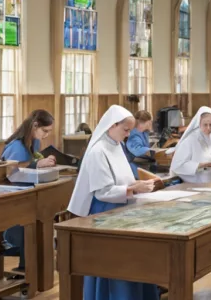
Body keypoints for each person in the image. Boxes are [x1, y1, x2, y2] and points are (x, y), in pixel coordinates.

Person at [67, 105, 158, 300]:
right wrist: (133, 189)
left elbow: (121, 179)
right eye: (125, 130)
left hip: (122, 209)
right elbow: (102, 191)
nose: (127, 135)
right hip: (104, 212)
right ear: (112, 125)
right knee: (114, 264)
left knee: (132, 262)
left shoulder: (117, 145)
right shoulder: (97, 151)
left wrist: (137, 184)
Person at [1, 110, 55, 272]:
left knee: (40, 223)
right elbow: (11, 172)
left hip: (30, 193)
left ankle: (37, 264)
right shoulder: (16, 145)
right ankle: (24, 263)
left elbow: (33, 160)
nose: (46, 135)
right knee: (27, 230)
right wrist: (38, 164)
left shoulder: (34, 142)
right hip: (14, 197)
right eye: (44, 131)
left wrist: (43, 162)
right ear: (34, 125)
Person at [169, 107, 211, 183]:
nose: (208, 128)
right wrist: (201, 165)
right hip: (193, 184)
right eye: (205, 125)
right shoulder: (190, 139)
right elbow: (177, 166)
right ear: (199, 123)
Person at [124, 110, 154, 179]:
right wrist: (152, 151)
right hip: (135, 169)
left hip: (142, 165)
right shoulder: (134, 134)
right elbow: (137, 150)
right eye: (150, 122)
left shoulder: (143, 132)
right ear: (148, 122)